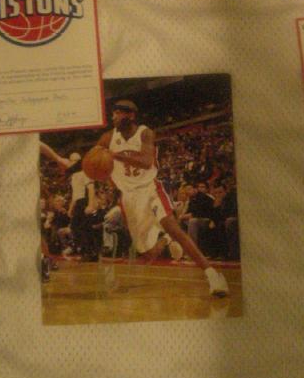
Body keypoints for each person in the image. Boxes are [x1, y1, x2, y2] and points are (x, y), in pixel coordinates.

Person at [90, 100, 228, 297]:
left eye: (117, 113)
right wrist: (73, 165)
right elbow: (92, 158)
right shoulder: (108, 138)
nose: (113, 118)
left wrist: (115, 156)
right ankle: (165, 239)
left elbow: (147, 162)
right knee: (147, 254)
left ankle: (212, 275)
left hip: (150, 189)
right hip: (129, 197)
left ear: (130, 116)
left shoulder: (145, 133)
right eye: (113, 114)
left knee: (174, 227)